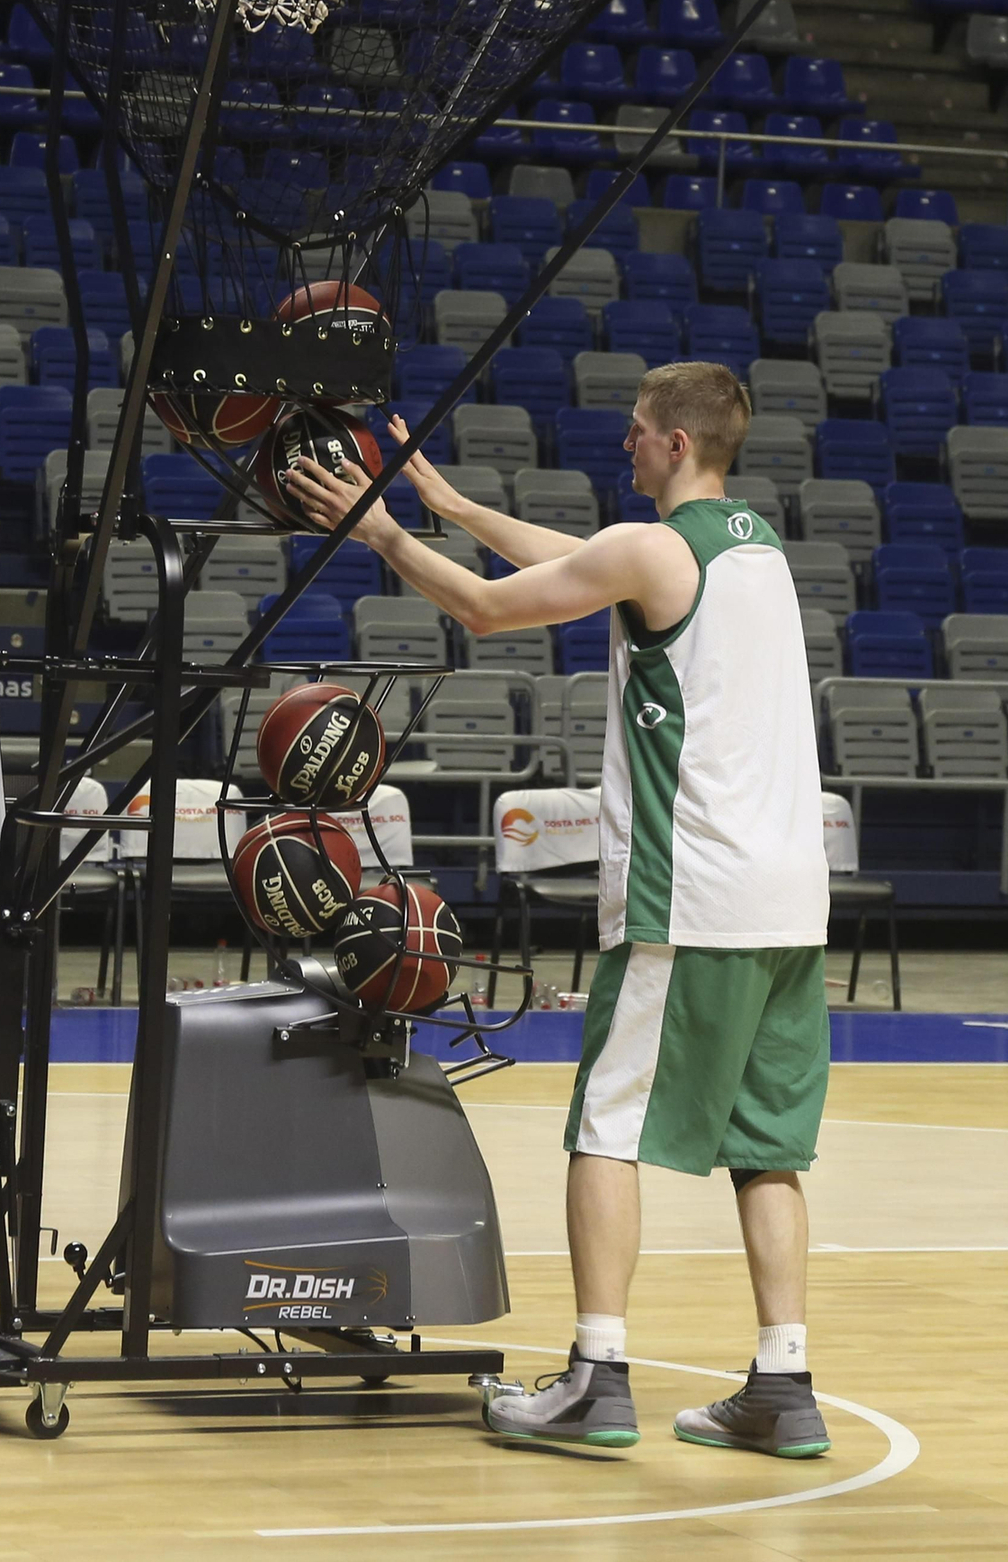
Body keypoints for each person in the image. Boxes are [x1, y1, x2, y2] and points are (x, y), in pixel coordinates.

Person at [289, 360, 831, 1458]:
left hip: (694, 895)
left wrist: (384, 535)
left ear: (677, 443)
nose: (622, 445)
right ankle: (783, 1384)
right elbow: (588, 566)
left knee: (604, 1126)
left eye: (636, 432)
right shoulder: (753, 547)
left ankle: (596, 1374)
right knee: (768, 1149)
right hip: (788, 904)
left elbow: (491, 612)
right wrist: (453, 508)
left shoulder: (654, 549)